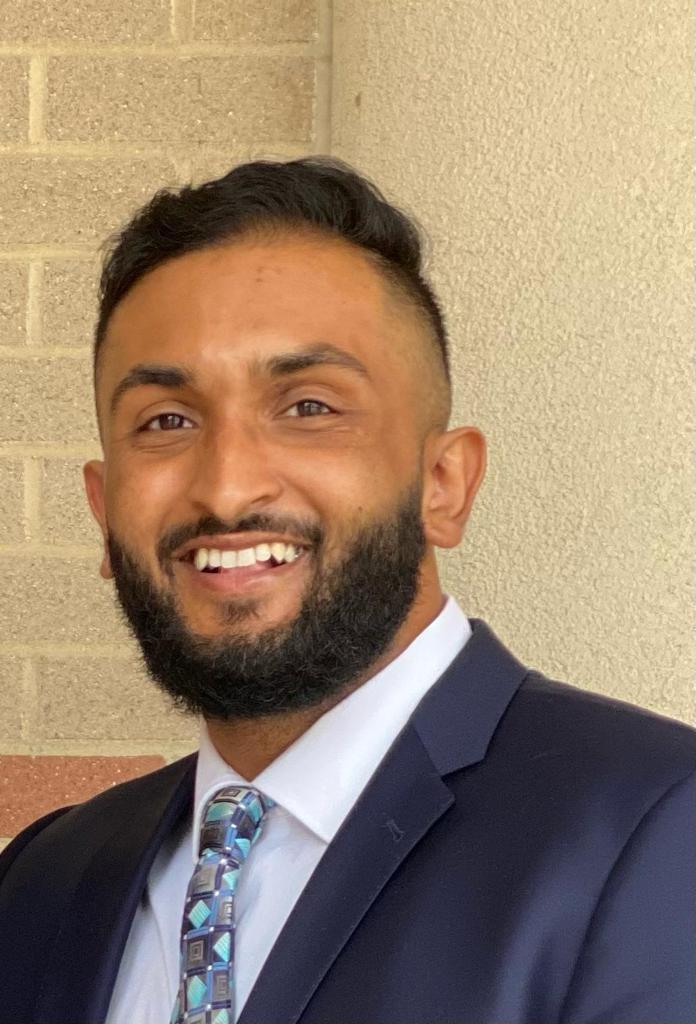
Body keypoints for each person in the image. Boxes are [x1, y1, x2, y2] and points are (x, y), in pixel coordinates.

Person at [0, 157, 693, 1024]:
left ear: (443, 484)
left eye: (308, 407)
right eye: (167, 421)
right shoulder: (43, 882)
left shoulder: (657, 832)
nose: (227, 487)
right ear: (105, 513)